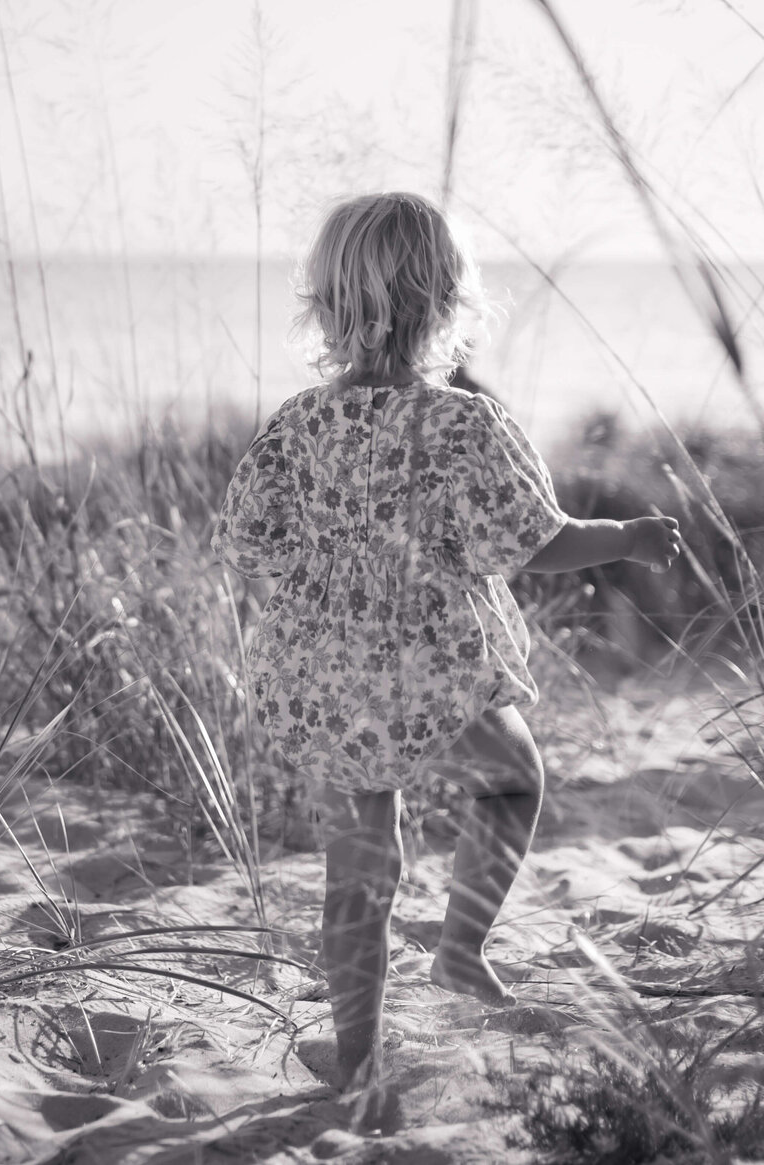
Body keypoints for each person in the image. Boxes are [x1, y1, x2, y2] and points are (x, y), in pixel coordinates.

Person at [211, 192, 679, 1122]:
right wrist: (625, 535)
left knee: (360, 863)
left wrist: (324, 608)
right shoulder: (465, 423)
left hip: (322, 672)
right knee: (510, 782)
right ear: (447, 305)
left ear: (329, 306)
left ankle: (356, 1058)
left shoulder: (296, 423)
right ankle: (461, 947)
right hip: (434, 665)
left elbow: (248, 543)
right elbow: (533, 540)